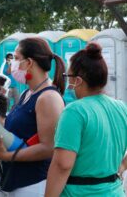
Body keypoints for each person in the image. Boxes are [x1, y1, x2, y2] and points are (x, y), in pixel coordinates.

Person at [0, 37, 65, 196]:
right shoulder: (28, 93)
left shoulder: (48, 98)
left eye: (16, 58)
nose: (12, 63)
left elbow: (49, 148)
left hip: (34, 183)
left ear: (29, 63)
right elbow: (14, 130)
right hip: (15, 180)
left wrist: (6, 155)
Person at [45, 42, 127, 197]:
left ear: (77, 81)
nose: (68, 82)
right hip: (114, 191)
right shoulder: (121, 107)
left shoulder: (74, 111)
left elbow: (62, 165)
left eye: (68, 77)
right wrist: (122, 165)